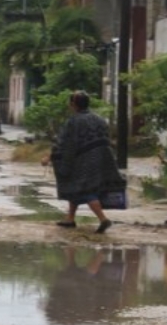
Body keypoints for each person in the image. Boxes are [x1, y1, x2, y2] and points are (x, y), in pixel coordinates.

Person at [41, 90, 125, 234]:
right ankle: (70, 218)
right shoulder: (99, 119)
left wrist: (50, 157)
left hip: (83, 162)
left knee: (86, 190)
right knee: (76, 186)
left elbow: (64, 143)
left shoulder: (73, 122)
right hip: (103, 159)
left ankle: (103, 219)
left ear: (73, 104)